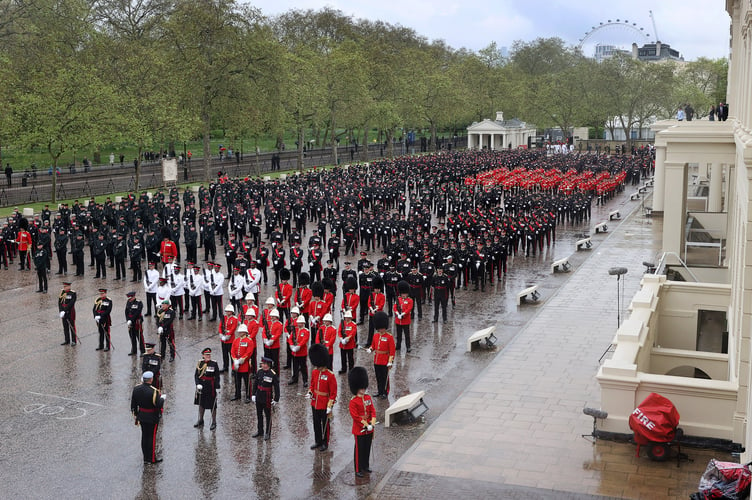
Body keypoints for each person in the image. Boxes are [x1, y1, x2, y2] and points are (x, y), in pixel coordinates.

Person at [130, 371, 165, 464]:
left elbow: (133, 405)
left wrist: (137, 415)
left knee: (144, 437)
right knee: (152, 438)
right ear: (151, 379)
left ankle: (145, 458)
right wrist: (162, 399)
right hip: (152, 418)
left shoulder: (136, 389)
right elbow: (158, 405)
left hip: (141, 416)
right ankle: (152, 459)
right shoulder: (154, 391)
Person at [307, 344, 337, 452]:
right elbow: (312, 385)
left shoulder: (330, 375)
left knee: (325, 424)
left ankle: (325, 442)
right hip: (315, 402)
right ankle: (318, 441)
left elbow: (333, 393)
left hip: (325, 403)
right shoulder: (315, 372)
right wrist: (310, 393)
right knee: (316, 423)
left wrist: (330, 405)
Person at [348, 366, 376, 477]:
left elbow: (372, 411)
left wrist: (372, 424)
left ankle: (365, 465)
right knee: (359, 450)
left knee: (367, 448)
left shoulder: (368, 398)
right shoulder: (353, 401)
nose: (363, 389)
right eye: (361, 387)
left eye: (364, 387)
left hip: (369, 428)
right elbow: (355, 417)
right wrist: (366, 425)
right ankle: (358, 468)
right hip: (359, 429)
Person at [251, 356, 280, 440]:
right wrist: (253, 394)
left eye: (264, 364)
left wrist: (275, 399)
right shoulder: (259, 372)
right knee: (259, 414)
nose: (263, 365)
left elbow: (277, 388)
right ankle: (260, 431)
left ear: (268, 365)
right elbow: (255, 384)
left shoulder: (272, 374)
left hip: (267, 396)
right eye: (262, 364)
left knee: (268, 415)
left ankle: (267, 432)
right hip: (259, 395)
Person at [368, 311, 394, 398]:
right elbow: (373, 345)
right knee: (378, 377)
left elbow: (392, 351)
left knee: (385, 378)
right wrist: (370, 349)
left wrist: (390, 361)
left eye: (382, 328)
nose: (381, 329)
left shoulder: (389, 337)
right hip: (377, 359)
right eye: (379, 328)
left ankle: (385, 392)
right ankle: (379, 391)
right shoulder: (376, 336)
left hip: (385, 360)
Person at [194, 347, 220, 430]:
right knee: (201, 403)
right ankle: (201, 420)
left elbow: (217, 376)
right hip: (201, 386)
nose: (208, 356)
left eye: (209, 355)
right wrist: (197, 384)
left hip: (210, 386)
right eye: (206, 355)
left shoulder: (214, 363)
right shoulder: (200, 363)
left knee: (212, 405)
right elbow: (196, 375)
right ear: (203, 355)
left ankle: (214, 422)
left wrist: (217, 386)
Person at [230, 324, 254, 402]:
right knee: (237, 380)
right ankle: (237, 394)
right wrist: (235, 360)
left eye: (241, 332)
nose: (240, 333)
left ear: (245, 332)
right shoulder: (236, 340)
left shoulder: (249, 341)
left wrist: (242, 359)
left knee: (247, 381)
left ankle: (248, 395)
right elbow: (232, 351)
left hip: (244, 364)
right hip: (237, 364)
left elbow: (249, 352)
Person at [288, 315, 309, 386]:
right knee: (295, 366)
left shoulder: (306, 331)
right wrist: (291, 345)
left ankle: (305, 380)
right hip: (294, 352)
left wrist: (299, 346)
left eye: (300, 323)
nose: (299, 324)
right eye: (298, 323)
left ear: (303, 323)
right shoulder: (295, 330)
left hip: (302, 352)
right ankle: (295, 378)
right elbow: (290, 338)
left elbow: (304, 340)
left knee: (303, 367)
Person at [393, 280, 414, 353]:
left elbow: (409, 309)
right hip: (398, 320)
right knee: (398, 334)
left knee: (407, 335)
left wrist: (402, 314)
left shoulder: (410, 300)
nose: (404, 295)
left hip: (406, 320)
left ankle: (408, 346)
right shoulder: (398, 299)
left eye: (405, 293)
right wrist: (397, 313)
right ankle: (398, 345)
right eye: (403, 294)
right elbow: (395, 307)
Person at [218, 304, 239, 372]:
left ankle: (233, 368)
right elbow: (220, 326)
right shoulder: (224, 317)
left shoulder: (234, 319)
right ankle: (225, 366)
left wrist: (228, 335)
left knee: (232, 354)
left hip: (230, 339)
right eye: (226, 311)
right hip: (223, 339)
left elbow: (233, 328)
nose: (227, 312)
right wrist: (221, 334)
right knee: (224, 354)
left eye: (229, 311)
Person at [125, 291, 145, 356]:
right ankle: (134, 350)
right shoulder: (128, 302)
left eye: (130, 297)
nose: (129, 299)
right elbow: (126, 312)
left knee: (139, 337)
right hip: (130, 322)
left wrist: (131, 320)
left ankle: (143, 351)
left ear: (134, 296)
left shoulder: (139, 303)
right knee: (132, 336)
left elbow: (138, 312)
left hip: (137, 321)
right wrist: (128, 320)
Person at [338, 309, 357, 374]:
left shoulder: (353, 324)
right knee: (343, 357)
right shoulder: (342, 323)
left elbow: (353, 332)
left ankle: (351, 369)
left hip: (350, 343)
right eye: (346, 317)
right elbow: (339, 331)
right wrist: (341, 339)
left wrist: (348, 338)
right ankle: (344, 368)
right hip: (342, 343)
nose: (347, 319)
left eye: (348, 317)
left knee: (350, 358)